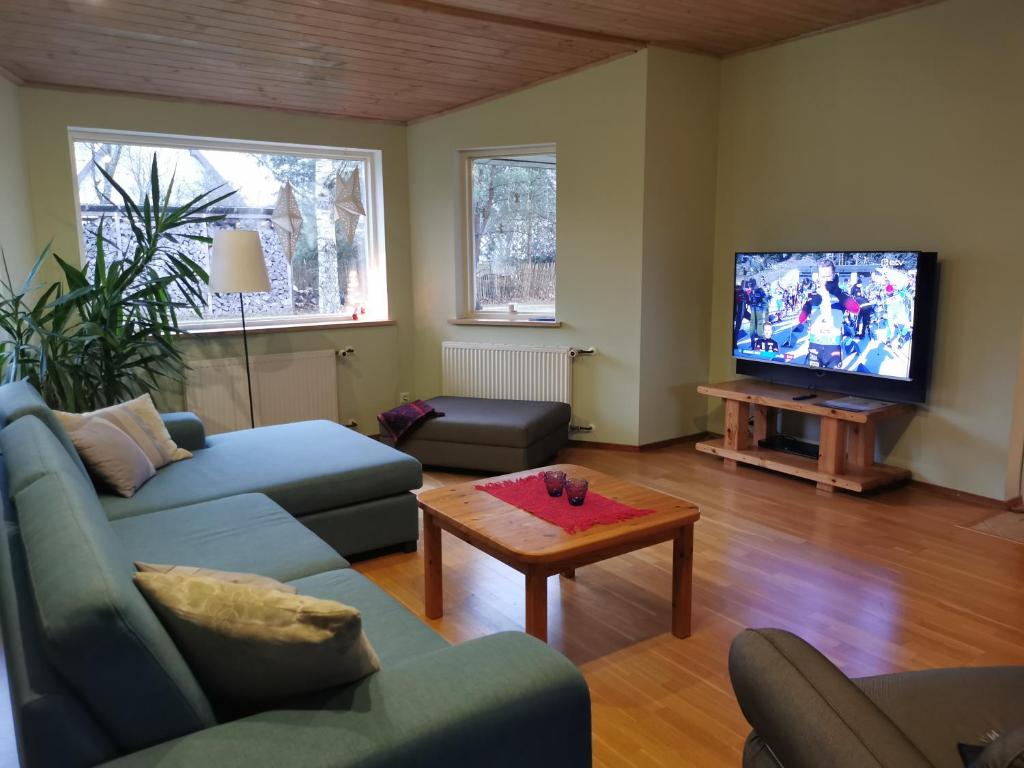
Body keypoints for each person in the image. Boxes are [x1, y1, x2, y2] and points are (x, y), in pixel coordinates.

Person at [794, 259, 860, 369]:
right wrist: (806, 309)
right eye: (822, 276)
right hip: (815, 345)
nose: (825, 279)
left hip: (833, 347)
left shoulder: (840, 294)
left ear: (834, 275)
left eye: (828, 276)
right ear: (818, 276)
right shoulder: (814, 295)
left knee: (832, 382)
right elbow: (801, 319)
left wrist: (837, 292)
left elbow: (856, 308)